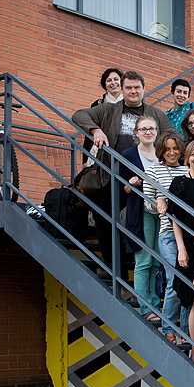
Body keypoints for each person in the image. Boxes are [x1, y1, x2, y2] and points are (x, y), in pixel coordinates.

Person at [72, 71, 172, 273]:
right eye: (129, 88)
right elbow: (79, 115)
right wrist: (95, 130)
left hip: (147, 173)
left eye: (137, 87)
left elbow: (171, 137)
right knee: (103, 213)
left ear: (143, 89)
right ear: (122, 90)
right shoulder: (109, 109)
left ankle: (147, 266)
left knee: (144, 218)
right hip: (114, 172)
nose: (133, 91)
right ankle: (115, 269)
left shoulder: (156, 114)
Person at [164, 139, 194, 362]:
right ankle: (193, 347)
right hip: (189, 245)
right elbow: (176, 218)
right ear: (187, 157)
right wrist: (181, 249)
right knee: (190, 296)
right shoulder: (179, 182)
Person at [145, 132, 190, 343]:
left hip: (190, 233)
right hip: (168, 233)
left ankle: (186, 331)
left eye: (175, 148)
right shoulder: (153, 170)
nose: (172, 153)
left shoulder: (187, 170)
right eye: (167, 149)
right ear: (161, 151)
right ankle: (168, 326)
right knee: (175, 279)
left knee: (188, 281)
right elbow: (147, 203)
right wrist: (158, 201)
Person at [119, 116, 162, 323]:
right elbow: (122, 188)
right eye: (143, 129)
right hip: (140, 211)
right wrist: (131, 184)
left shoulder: (162, 153)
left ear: (157, 131)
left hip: (160, 213)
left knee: (156, 261)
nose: (148, 132)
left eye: (151, 128)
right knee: (144, 260)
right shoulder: (129, 155)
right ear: (136, 133)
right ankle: (146, 307)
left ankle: (155, 304)